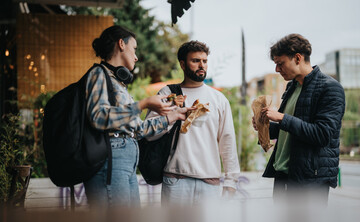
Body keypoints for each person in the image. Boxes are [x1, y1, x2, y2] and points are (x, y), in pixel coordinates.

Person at [84, 25, 191, 207]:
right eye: (134, 49)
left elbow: (139, 130)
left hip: (126, 161)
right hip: (111, 158)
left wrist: (173, 116)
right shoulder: (98, 74)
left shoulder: (118, 84)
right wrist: (143, 104)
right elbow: (98, 116)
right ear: (121, 44)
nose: (136, 56)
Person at [253, 34, 345, 204]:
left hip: (310, 181)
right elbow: (287, 130)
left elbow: (323, 135)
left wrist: (281, 118)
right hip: (282, 175)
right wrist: (264, 125)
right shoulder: (292, 87)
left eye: (280, 64)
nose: (277, 70)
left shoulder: (330, 88)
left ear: (297, 58)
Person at [146, 41, 241, 205]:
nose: (201, 65)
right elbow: (149, 133)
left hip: (209, 182)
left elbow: (227, 140)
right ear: (183, 64)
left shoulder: (219, 99)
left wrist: (231, 180)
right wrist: (173, 112)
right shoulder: (167, 94)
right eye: (195, 61)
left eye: (204, 61)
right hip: (175, 180)